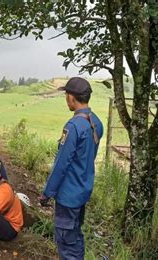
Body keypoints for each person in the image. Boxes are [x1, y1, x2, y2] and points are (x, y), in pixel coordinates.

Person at [39, 77, 103, 260]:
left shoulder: (74, 126)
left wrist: (47, 193)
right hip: (83, 190)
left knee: (66, 242)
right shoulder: (96, 122)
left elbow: (61, 164)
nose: (66, 98)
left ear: (71, 97)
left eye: (66, 94)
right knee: (75, 236)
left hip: (68, 194)